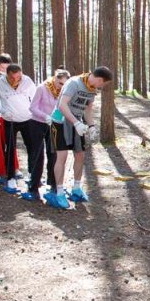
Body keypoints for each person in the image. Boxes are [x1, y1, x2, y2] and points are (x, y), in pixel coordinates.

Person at [45, 66, 113, 209]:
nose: (102, 86)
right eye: (103, 83)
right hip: (60, 121)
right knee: (61, 157)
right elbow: (62, 105)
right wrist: (76, 122)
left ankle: (76, 188)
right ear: (100, 79)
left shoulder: (93, 89)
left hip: (77, 123)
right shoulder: (74, 83)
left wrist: (92, 125)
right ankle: (59, 192)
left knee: (80, 155)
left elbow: (87, 109)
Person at [22, 68, 71, 201]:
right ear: (55, 79)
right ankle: (33, 187)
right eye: (60, 83)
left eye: (65, 85)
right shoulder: (42, 88)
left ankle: (54, 185)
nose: (62, 87)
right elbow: (32, 108)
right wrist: (45, 116)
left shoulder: (66, 92)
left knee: (54, 155)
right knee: (37, 155)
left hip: (54, 125)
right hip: (37, 123)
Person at [0, 64, 36, 194]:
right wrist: (3, 111)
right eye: (12, 78)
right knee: (10, 148)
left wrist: (35, 112)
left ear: (22, 74)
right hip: (10, 120)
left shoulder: (27, 81)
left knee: (32, 147)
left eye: (18, 77)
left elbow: (35, 98)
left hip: (27, 118)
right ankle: (10, 177)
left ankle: (32, 175)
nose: (15, 80)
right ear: (6, 75)